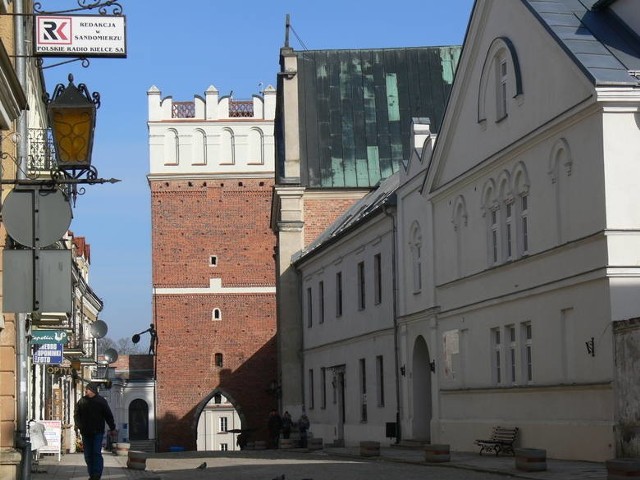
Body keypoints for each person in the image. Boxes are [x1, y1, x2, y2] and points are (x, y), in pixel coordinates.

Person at [74, 382, 116, 480]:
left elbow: (108, 415)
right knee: (88, 455)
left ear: (92, 390)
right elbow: (76, 414)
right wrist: (79, 426)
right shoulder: (82, 401)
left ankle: (97, 474)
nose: (85, 391)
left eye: (87, 389)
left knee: (96, 452)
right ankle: (92, 474)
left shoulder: (101, 401)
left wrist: (112, 428)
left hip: (98, 432)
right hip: (85, 432)